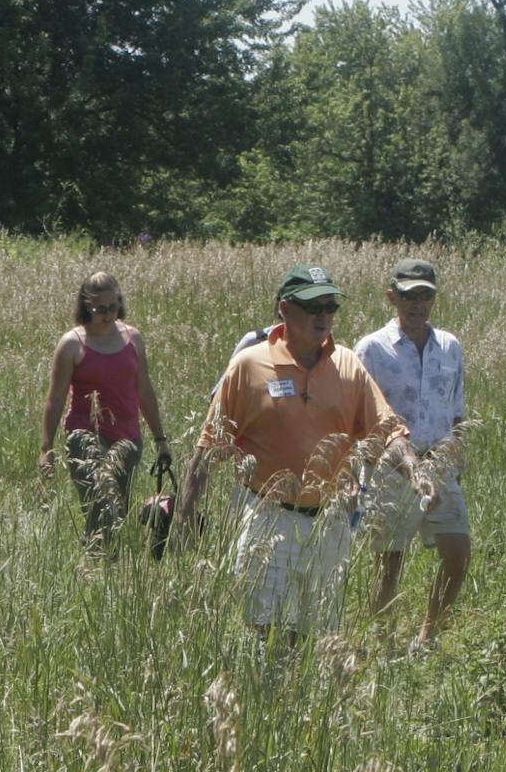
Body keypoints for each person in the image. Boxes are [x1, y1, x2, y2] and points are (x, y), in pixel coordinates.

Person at [175, 263, 415, 640]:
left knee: (317, 636)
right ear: (285, 309)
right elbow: (208, 447)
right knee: (265, 635)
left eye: (331, 306)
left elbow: (388, 431)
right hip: (268, 517)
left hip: (330, 523)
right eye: (313, 306)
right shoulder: (249, 366)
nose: (324, 315)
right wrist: (186, 514)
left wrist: (417, 474)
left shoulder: (347, 364)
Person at [355, 257, 471, 646]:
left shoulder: (450, 346)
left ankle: (428, 638)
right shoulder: (372, 348)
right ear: (391, 297)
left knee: (458, 554)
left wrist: (455, 458)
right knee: (389, 565)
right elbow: (360, 411)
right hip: (390, 468)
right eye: (408, 296)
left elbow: (456, 409)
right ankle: (382, 646)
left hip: (440, 465)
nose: (417, 304)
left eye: (425, 296)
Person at [38, 271, 170, 547]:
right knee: (101, 509)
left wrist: (160, 439)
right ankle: (94, 567)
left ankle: (106, 568)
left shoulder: (133, 339)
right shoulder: (72, 344)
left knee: (117, 513)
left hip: (127, 438)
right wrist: (46, 449)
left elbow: (144, 391)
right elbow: (55, 399)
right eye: (100, 309)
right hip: (85, 437)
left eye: (113, 307)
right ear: (86, 306)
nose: (108, 314)